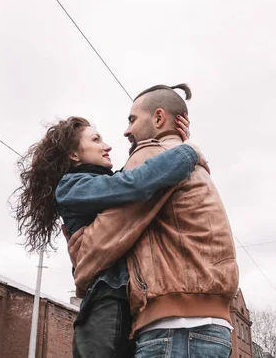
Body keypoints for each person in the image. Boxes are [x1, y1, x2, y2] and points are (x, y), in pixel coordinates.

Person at [13, 115, 208, 358]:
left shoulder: (103, 182)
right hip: (104, 308)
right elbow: (136, 183)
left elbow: (140, 176)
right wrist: (187, 152)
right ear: (74, 154)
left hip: (126, 307)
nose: (107, 146)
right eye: (96, 139)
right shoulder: (72, 186)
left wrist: (171, 142)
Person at [68, 84, 240, 358]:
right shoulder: (180, 156)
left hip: (175, 329)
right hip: (211, 327)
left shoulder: (151, 153)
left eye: (132, 119)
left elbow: (102, 241)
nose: (126, 131)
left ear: (158, 118)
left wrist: (79, 262)